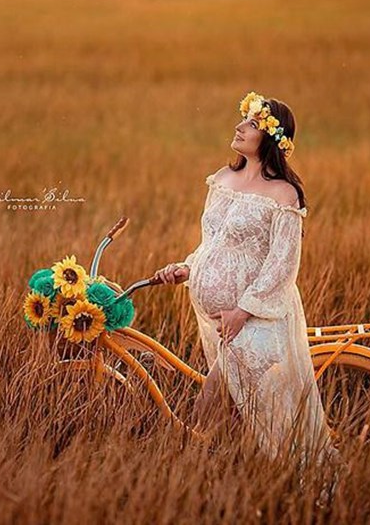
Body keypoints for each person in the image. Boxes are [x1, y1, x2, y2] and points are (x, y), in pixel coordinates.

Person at [153, 92, 331, 462]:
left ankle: (188, 470)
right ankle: (225, 471)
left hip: (256, 321)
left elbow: (282, 265)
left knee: (206, 411)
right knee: (230, 415)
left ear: (270, 136)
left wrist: (243, 310)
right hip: (222, 324)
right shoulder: (223, 179)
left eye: (250, 124)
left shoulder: (284, 194)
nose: (239, 127)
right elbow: (213, 242)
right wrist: (188, 267)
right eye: (244, 120)